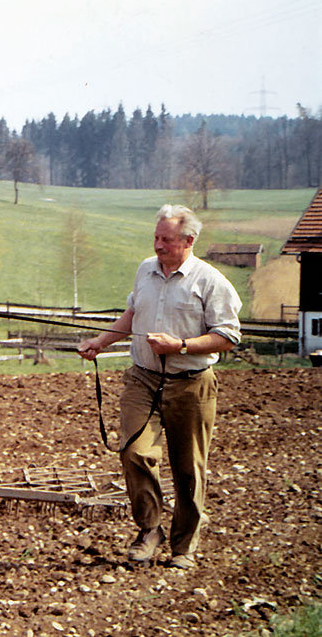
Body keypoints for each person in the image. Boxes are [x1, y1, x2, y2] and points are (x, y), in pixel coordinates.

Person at [78, 204, 241, 569]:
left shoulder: (210, 281)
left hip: (191, 384)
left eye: (166, 239)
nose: (158, 245)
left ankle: (183, 547)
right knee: (134, 451)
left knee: (188, 470)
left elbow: (227, 337)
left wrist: (180, 346)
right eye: (156, 237)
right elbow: (133, 315)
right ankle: (150, 529)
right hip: (143, 378)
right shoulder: (145, 271)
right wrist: (100, 343)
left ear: (188, 241)